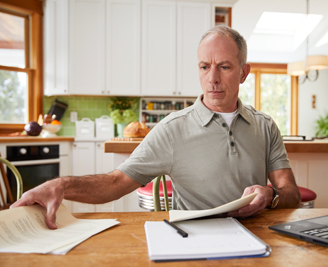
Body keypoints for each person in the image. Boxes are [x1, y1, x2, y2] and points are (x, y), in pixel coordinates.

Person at [11, 26, 301, 229]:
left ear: (243, 73)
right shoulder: (172, 129)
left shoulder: (264, 126)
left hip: (259, 239)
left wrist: (271, 195)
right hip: (195, 241)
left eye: (224, 67)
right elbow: (115, 183)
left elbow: (291, 191)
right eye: (204, 67)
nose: (212, 78)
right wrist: (61, 185)